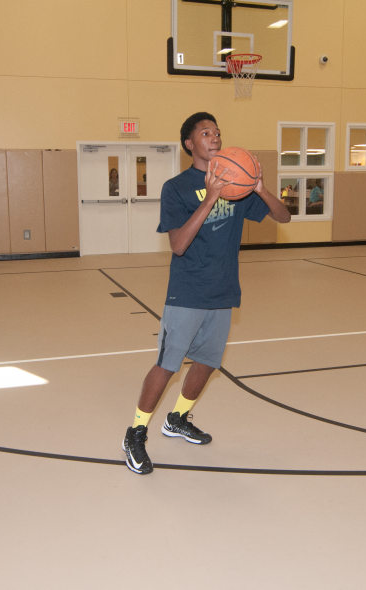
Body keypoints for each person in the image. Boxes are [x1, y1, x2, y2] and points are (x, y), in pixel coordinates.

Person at [122, 112, 291, 475]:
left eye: (217, 132)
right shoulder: (176, 188)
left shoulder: (238, 185)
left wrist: (259, 188)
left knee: (208, 363)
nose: (214, 138)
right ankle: (135, 433)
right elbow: (178, 245)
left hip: (223, 290)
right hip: (187, 292)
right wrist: (210, 197)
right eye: (205, 133)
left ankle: (177, 419)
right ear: (190, 144)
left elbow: (283, 217)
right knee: (167, 365)